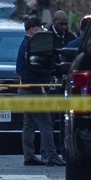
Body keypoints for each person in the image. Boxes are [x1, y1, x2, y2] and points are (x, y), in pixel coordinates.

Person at [16, 16, 64, 166]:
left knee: (29, 125)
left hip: (25, 89)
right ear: (32, 29)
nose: (42, 30)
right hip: (33, 90)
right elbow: (36, 67)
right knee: (46, 123)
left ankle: (29, 155)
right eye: (39, 28)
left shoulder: (25, 44)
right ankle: (50, 155)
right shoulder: (31, 45)